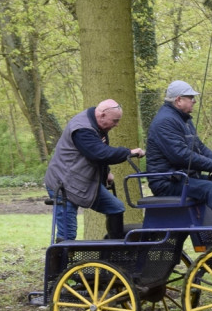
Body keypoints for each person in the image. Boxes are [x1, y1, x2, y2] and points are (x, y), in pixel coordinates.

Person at [144, 80, 212, 226]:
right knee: (209, 188)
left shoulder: (183, 120)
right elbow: (181, 156)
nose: (194, 101)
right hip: (167, 182)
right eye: (191, 98)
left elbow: (200, 148)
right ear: (179, 100)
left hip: (183, 178)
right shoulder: (165, 122)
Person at [44, 100, 145, 241]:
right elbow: (99, 153)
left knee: (116, 208)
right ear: (102, 115)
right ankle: (60, 262)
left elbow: (98, 152)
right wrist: (129, 152)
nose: (117, 125)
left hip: (84, 183)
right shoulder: (82, 129)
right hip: (64, 184)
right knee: (68, 235)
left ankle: (114, 251)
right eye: (115, 121)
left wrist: (106, 172)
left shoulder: (99, 126)